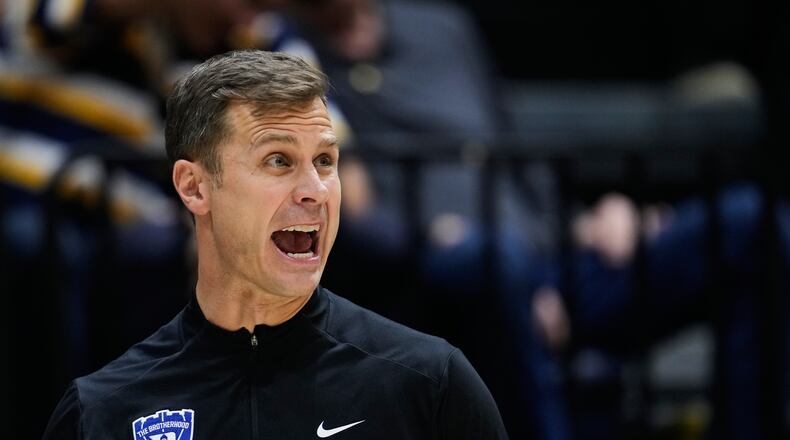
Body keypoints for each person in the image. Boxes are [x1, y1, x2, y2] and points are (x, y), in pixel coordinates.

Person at [42, 49, 509, 439]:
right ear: (194, 188)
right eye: (279, 160)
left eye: (325, 161)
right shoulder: (104, 411)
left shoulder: (430, 384)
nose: (316, 189)